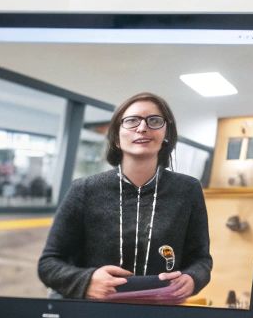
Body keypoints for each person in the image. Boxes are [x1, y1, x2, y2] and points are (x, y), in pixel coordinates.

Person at [37, 92, 212, 303]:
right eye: (131, 121)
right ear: (116, 137)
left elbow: (201, 259)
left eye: (154, 121)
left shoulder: (188, 190)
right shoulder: (84, 189)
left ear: (166, 134)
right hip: (94, 315)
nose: (142, 128)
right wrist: (86, 281)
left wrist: (192, 279)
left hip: (161, 315)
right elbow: (49, 264)